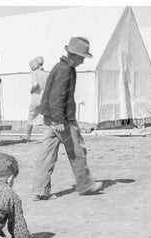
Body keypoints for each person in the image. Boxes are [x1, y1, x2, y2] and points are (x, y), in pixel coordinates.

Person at [32, 37, 103, 201]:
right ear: (75, 55)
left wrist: (54, 119)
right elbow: (58, 95)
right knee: (77, 152)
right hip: (61, 119)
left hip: (50, 118)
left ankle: (39, 190)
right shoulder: (66, 69)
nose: (83, 61)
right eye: (82, 57)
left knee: (46, 155)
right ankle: (85, 185)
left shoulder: (59, 67)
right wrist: (59, 120)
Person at [25, 56, 48, 142]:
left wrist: (31, 91)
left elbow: (35, 85)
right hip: (45, 98)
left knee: (31, 117)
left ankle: (28, 138)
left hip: (36, 98)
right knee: (46, 118)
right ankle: (47, 137)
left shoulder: (35, 73)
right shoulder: (45, 73)